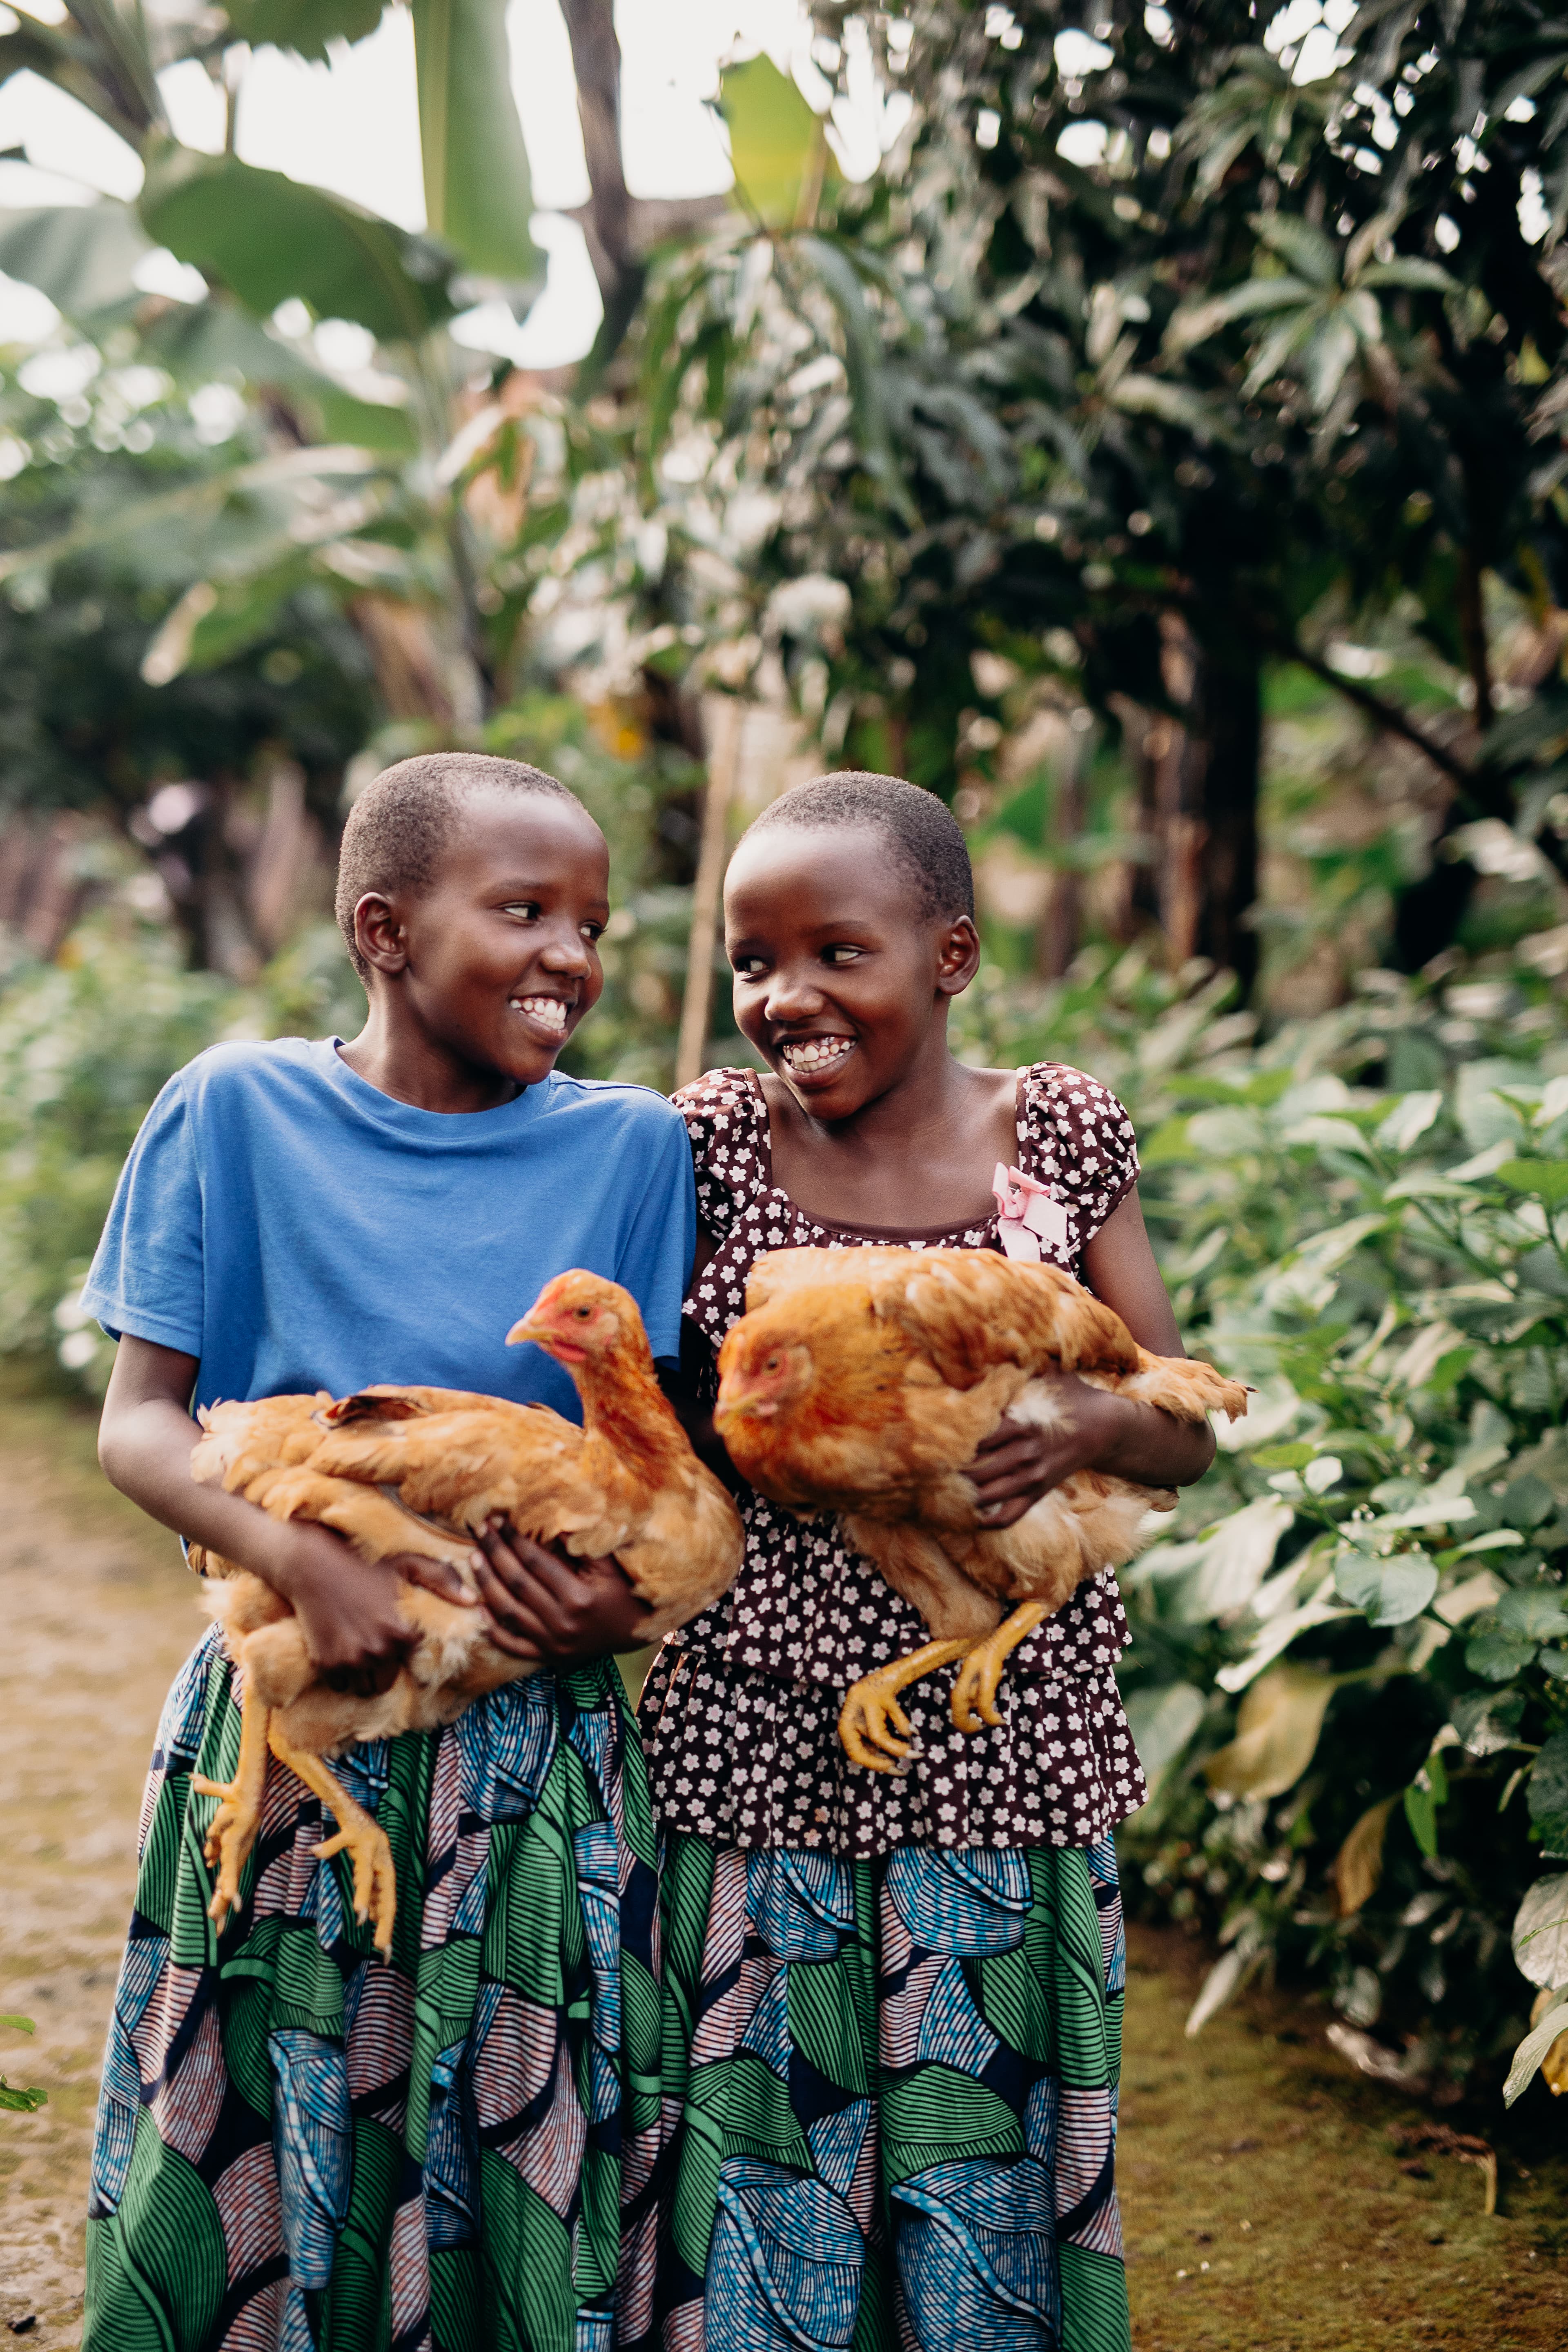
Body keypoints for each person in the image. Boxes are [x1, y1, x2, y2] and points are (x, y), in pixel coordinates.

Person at [80, 753, 691, 2352]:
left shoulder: (630, 1151)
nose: (572, 954)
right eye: (524, 911)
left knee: (511, 2143)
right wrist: (313, 1561)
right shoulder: (237, 1109)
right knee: (272, 2150)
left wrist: (612, 1607)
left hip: (530, 1748)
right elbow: (140, 1424)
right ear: (382, 929)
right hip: (298, 1726)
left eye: (593, 922)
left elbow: (663, 1463)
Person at [642, 771, 1216, 2352]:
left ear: (950, 955)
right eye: (755, 961)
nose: (787, 997)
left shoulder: (1058, 1135)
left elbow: (1188, 1425)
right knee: (764, 2195)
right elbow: (660, 1431)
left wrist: (1089, 1424)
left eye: (839, 953)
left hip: (1005, 1742)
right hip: (757, 1740)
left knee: (991, 2185)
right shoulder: (705, 1143)